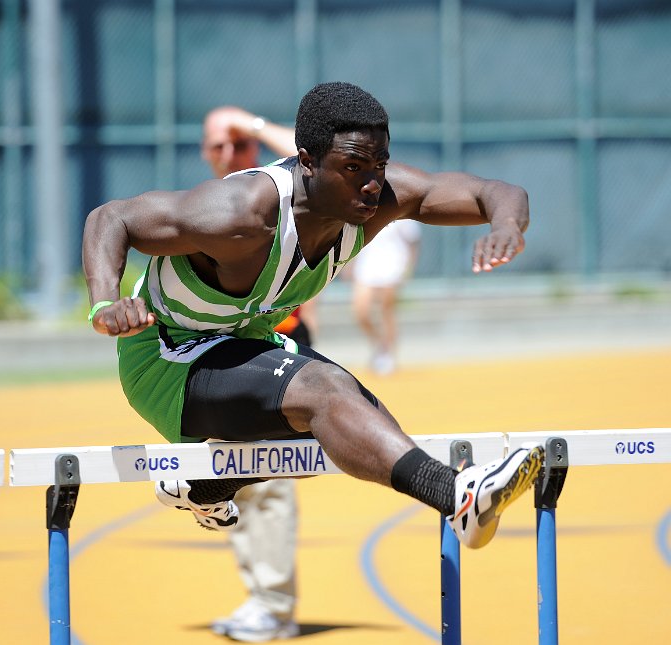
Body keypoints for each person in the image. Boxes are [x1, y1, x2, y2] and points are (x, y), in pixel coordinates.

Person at [83, 80, 544, 595]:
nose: (372, 185)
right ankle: (456, 494)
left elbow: (496, 191)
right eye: (353, 168)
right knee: (325, 394)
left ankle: (207, 484)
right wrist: (106, 303)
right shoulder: (241, 214)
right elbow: (111, 217)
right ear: (306, 161)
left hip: (245, 342)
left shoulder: (377, 202)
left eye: (380, 165)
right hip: (168, 358)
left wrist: (506, 225)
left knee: (364, 423)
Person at [201, 106, 303, 642]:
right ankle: (262, 598)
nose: (228, 155)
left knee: (267, 481)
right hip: (222, 357)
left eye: (236, 146)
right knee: (234, 477)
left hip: (275, 350)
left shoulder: (280, 189)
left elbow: (319, 161)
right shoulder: (208, 207)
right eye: (218, 146)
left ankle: (275, 605)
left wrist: (252, 125)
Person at [351, 217, 421, 374]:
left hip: (393, 263)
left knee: (386, 311)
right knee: (361, 312)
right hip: (366, 265)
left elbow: (413, 241)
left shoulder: (402, 214)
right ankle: (380, 344)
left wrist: (408, 268)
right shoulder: (363, 208)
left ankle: (388, 355)